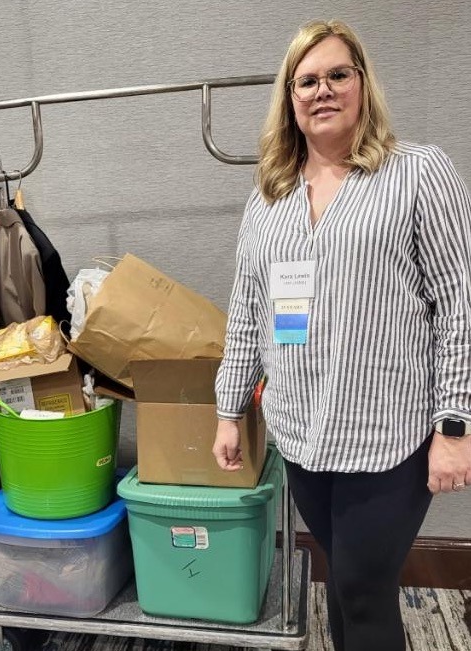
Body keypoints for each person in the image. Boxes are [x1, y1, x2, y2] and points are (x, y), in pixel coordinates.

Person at [212, 19, 471, 651]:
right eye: (307, 80)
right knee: (340, 577)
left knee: (360, 587)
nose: (322, 89)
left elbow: (459, 303)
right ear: (289, 99)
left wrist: (455, 425)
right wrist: (228, 410)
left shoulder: (416, 173)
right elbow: (249, 310)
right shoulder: (269, 198)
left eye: (337, 75)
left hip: (389, 438)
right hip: (302, 436)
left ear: (362, 85)